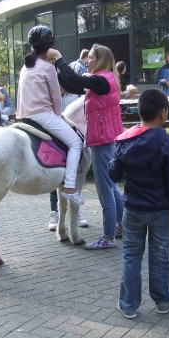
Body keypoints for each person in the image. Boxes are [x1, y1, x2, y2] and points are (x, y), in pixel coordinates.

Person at [109, 88, 169, 319]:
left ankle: (128, 304)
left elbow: (114, 175)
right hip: (161, 210)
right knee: (160, 256)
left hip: (132, 208)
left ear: (138, 111)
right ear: (164, 113)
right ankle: (163, 300)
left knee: (131, 256)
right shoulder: (168, 143)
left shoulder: (124, 140)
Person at [47, 44, 125, 249]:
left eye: (90, 57)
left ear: (99, 60)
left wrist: (60, 58)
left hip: (103, 141)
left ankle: (108, 237)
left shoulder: (100, 80)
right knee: (113, 187)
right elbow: (72, 85)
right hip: (109, 139)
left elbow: (75, 80)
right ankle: (122, 226)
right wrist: (56, 67)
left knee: (105, 190)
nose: (86, 61)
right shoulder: (104, 79)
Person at [16, 25, 84, 206]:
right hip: (44, 115)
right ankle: (69, 186)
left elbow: (20, 94)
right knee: (76, 143)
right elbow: (56, 97)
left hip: (24, 116)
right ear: (50, 48)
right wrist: (58, 115)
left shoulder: (25, 67)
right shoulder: (47, 68)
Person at [49, 48, 90, 231]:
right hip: (55, 130)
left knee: (78, 167)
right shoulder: (47, 82)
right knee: (53, 168)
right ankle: (54, 212)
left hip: (73, 131)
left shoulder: (74, 89)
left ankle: (76, 211)